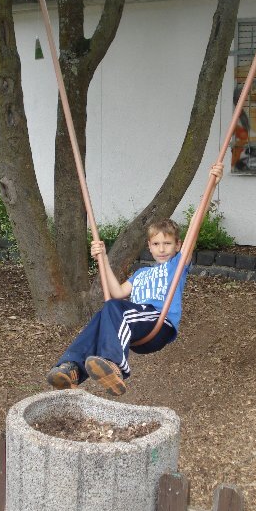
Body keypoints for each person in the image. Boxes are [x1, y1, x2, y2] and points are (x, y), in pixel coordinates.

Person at [47, 162, 223, 396]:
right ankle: (72, 369)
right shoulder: (141, 274)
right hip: (136, 328)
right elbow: (118, 292)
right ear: (149, 246)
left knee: (114, 308)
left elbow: (194, 226)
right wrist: (103, 259)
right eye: (156, 244)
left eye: (167, 243)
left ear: (177, 245)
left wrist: (212, 186)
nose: (162, 249)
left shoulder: (176, 265)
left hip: (158, 324)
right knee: (103, 314)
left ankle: (114, 365)